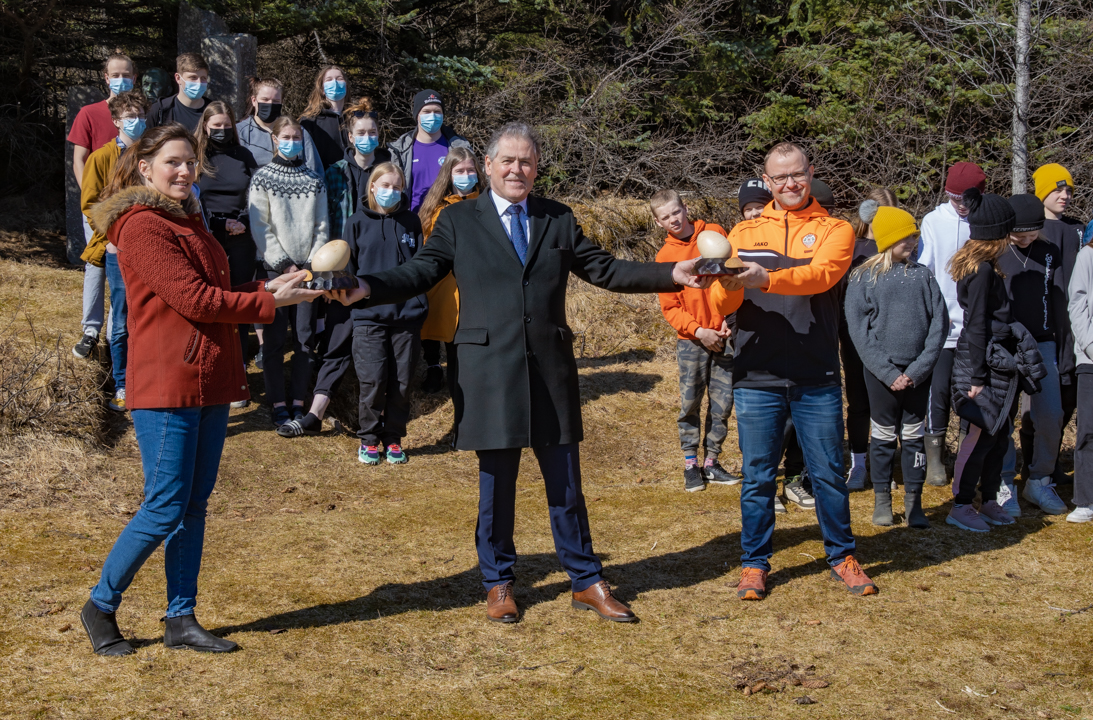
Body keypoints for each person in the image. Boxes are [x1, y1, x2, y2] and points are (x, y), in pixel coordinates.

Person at [328, 122, 706, 624]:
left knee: (566, 485)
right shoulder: (459, 221)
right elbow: (420, 271)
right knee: (497, 485)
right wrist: (367, 287)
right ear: (487, 166)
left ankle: (586, 580)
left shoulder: (557, 218)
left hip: (549, 368)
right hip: (487, 370)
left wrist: (670, 273)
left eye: (526, 161)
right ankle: (499, 582)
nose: (517, 170)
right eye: (507, 161)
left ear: (536, 168)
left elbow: (606, 270)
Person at [79, 124, 321, 657]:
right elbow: (195, 300)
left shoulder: (188, 219)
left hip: (209, 379)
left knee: (194, 504)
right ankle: (100, 604)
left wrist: (268, 289)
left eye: (190, 162)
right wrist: (267, 306)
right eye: (173, 162)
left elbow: (216, 293)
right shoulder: (142, 225)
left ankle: (180, 617)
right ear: (145, 168)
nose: (185, 171)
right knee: (165, 505)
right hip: (167, 383)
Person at [709, 141, 877, 600]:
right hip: (755, 372)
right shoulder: (741, 235)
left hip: (815, 373)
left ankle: (842, 556)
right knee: (759, 475)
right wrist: (723, 286)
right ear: (766, 182)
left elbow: (821, 276)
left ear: (810, 172)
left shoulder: (834, 229)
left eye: (796, 174)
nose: (789, 184)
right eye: (779, 177)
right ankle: (753, 564)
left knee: (826, 472)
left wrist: (764, 278)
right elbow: (724, 302)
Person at [947, 190, 1047, 532]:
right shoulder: (982, 271)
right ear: (997, 234)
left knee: (1000, 433)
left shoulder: (986, 265)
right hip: (981, 363)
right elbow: (975, 323)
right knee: (980, 435)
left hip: (994, 359)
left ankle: (988, 499)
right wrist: (976, 377)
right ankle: (960, 504)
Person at [845, 206, 948, 528]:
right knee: (884, 437)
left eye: (916, 235)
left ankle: (915, 503)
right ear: (890, 238)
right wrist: (888, 373)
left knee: (914, 438)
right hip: (880, 375)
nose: (914, 241)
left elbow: (939, 325)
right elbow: (858, 330)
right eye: (908, 236)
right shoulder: (864, 277)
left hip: (918, 374)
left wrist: (918, 370)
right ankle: (882, 501)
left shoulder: (923, 275)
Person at [650, 188, 739, 492]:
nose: (673, 219)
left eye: (676, 212)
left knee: (723, 403)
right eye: (665, 217)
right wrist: (699, 331)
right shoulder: (665, 257)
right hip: (692, 341)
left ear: (685, 208)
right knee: (690, 403)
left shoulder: (713, 233)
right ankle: (691, 464)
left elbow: (731, 279)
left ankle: (712, 462)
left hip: (725, 335)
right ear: (658, 222)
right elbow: (670, 307)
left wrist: (728, 322)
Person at [336, 163, 426, 463]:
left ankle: (394, 438)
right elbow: (349, 271)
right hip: (369, 317)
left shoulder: (411, 222)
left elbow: (420, 270)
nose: (390, 192)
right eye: (384, 185)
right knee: (373, 379)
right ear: (372, 186)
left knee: (402, 381)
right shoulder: (355, 223)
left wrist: (420, 304)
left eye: (396, 186)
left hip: (407, 317)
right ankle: (369, 439)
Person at [248, 115, 329, 427]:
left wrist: (311, 264)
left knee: (305, 339)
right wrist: (285, 265)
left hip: (309, 272)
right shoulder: (262, 178)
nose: (292, 142)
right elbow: (261, 225)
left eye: (297, 137)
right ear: (275, 139)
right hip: (274, 272)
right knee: (273, 340)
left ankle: (298, 401)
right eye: (287, 137)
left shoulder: (314, 181)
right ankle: (277, 402)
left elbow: (322, 225)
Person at [994, 194, 1069, 516]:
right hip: (1007, 344)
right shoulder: (995, 252)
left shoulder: (1050, 252)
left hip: (1043, 342)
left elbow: (1059, 300)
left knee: (1051, 414)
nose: (1025, 241)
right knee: (1003, 418)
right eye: (1018, 235)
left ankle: (1039, 479)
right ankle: (1004, 481)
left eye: (1031, 234)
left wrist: (1065, 348)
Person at [917, 161, 988, 486]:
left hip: (975, 328)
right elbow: (924, 266)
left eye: (965, 199)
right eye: (954, 197)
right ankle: (935, 458)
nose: (960, 204)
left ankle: (966, 454)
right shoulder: (934, 221)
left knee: (971, 393)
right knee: (938, 392)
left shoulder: (983, 221)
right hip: (941, 325)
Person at [79, 89, 149, 412]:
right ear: (117, 120)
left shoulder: (153, 152)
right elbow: (90, 204)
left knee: (147, 318)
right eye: (129, 116)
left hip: (150, 248)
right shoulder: (100, 158)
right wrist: (110, 237)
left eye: (140, 115)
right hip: (116, 250)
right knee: (120, 319)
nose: (136, 122)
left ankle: (146, 384)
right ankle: (122, 384)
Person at [69, 51, 136, 360]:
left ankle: (115, 332)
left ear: (134, 78)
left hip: (133, 208)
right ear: (106, 78)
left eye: (127, 74)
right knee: (96, 263)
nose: (122, 79)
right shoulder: (90, 113)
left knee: (124, 269)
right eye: (116, 75)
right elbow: (79, 160)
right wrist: (94, 203)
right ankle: (91, 329)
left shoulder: (138, 116)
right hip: (97, 205)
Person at [194, 100, 260, 380]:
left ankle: (238, 365)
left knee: (240, 299)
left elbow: (257, 194)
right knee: (210, 301)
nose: (221, 130)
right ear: (206, 127)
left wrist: (242, 221)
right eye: (216, 126)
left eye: (226, 125)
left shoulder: (244, 155)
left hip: (242, 236)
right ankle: (209, 363)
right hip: (208, 235)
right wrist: (220, 224)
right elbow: (191, 196)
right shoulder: (196, 156)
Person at [1031, 163, 1084, 484]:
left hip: (1076, 330)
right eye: (1058, 189)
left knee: (1069, 397)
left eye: (1068, 191)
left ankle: (1050, 467)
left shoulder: (1078, 229)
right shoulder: (1031, 231)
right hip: (1045, 331)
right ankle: (1036, 467)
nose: (1065, 196)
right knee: (1040, 403)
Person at [840, 191, 896, 490]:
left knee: (886, 404)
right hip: (854, 339)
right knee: (859, 403)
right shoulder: (851, 248)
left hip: (890, 339)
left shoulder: (899, 250)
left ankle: (884, 466)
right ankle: (858, 464)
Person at [417, 147, 483, 397]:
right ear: (449, 175)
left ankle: (464, 381)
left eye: (470, 170)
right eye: (460, 171)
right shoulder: (437, 209)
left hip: (474, 284)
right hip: (442, 283)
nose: (466, 175)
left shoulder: (488, 204)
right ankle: (433, 367)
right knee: (437, 325)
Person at [388, 89, 471, 212]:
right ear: (417, 115)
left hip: (447, 221)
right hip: (412, 221)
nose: (432, 116)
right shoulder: (401, 150)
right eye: (426, 111)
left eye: (437, 111)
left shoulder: (458, 147)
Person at [325, 97, 392, 241]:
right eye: (361, 133)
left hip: (377, 246)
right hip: (343, 248)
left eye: (372, 132)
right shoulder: (335, 173)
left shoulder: (389, 173)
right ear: (351, 137)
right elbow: (325, 217)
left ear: (378, 134)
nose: (367, 137)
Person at [236, 77, 323, 174]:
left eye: (276, 101)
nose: (270, 104)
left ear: (281, 102)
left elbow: (314, 168)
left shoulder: (297, 131)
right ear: (254, 100)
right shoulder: (240, 132)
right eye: (265, 99)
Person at [1067, 239, 1093, 523]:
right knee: (1089, 430)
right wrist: (1091, 346)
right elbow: (1077, 304)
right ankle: (1085, 499)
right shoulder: (1087, 255)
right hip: (1090, 359)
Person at [146, 53, 211, 133]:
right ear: (178, 78)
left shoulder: (214, 111)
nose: (199, 83)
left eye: (203, 78)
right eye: (193, 77)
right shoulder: (160, 111)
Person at [300, 65, 350, 169]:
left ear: (346, 85)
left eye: (339, 78)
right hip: (323, 181)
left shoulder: (356, 118)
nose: (335, 83)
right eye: (329, 79)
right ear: (322, 89)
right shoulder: (310, 121)